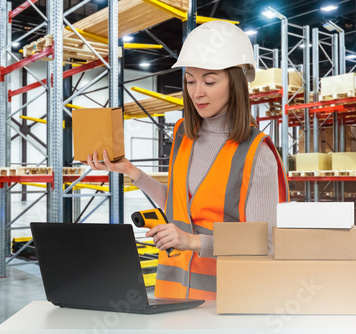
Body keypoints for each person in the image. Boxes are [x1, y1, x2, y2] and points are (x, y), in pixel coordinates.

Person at [86, 20, 289, 300]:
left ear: (237, 82)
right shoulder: (185, 134)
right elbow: (179, 204)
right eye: (190, 80)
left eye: (209, 81)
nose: (197, 92)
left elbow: (265, 242)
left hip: (228, 299)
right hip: (174, 294)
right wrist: (131, 171)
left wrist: (193, 242)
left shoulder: (257, 153)